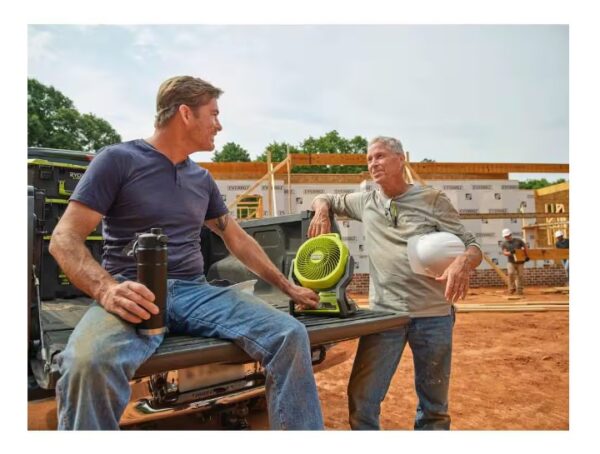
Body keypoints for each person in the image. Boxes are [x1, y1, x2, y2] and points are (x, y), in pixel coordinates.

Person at [49, 76, 324, 430]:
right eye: (213, 114)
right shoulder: (117, 160)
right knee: (87, 364)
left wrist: (287, 286)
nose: (219, 124)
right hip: (134, 290)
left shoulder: (201, 179)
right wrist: (107, 290)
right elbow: (64, 237)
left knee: (289, 335)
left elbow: (237, 239)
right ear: (185, 113)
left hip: (195, 290)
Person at [309, 136, 482, 430]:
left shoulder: (432, 200)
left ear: (400, 160)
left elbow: (473, 245)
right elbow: (325, 198)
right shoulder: (366, 201)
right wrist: (322, 210)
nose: (373, 163)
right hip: (385, 315)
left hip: (433, 317)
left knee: (434, 406)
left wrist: (463, 262)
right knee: (362, 398)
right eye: (369, 159)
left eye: (380, 156)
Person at [500, 228, 528, 295]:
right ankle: (512, 288)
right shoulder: (504, 244)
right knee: (511, 274)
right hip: (511, 262)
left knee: (520, 275)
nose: (507, 237)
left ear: (510, 234)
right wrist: (511, 252)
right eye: (505, 236)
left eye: (508, 236)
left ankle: (520, 290)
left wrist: (526, 256)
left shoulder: (518, 241)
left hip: (520, 261)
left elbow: (525, 248)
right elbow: (504, 253)